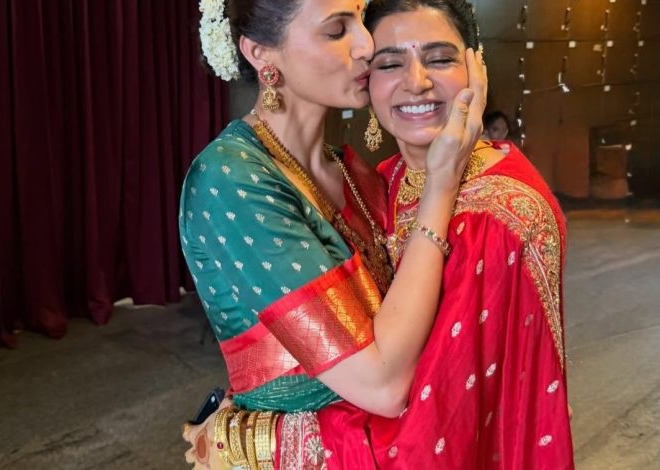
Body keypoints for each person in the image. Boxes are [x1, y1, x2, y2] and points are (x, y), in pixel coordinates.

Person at [180, 0, 486, 468]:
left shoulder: (354, 173)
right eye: (337, 30)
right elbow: (382, 385)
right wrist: (441, 185)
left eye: (361, 19)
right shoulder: (232, 179)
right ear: (261, 53)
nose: (367, 45)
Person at [367, 0, 574, 467]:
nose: (416, 82)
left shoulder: (499, 213)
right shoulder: (383, 179)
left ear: (476, 69)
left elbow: (434, 424)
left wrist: (264, 435)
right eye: (390, 64)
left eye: (440, 59)